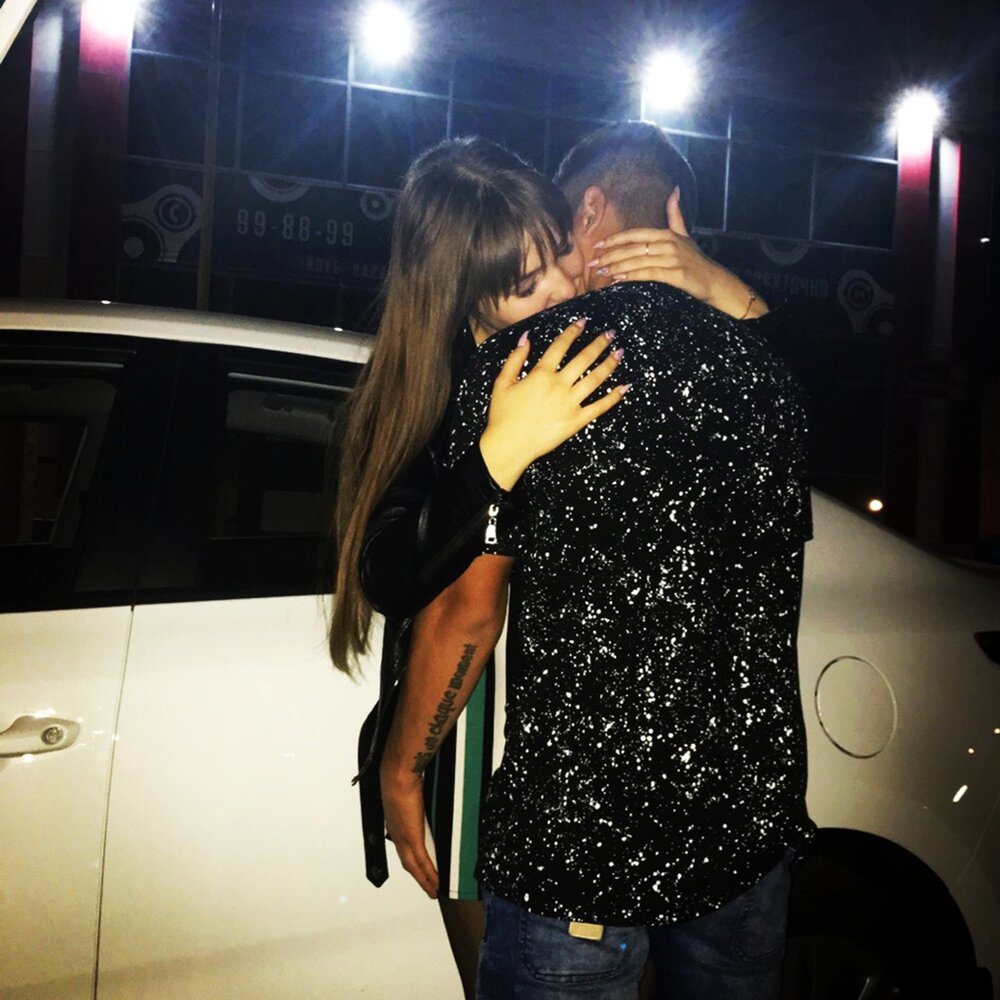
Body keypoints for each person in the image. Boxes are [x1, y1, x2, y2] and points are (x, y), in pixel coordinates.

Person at [379, 121, 815, 999]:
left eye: (554, 259)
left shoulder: (534, 366)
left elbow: (470, 610)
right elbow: (395, 570)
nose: (558, 290)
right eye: (524, 282)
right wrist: (727, 291)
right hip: (746, 835)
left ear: (586, 210)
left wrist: (399, 767)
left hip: (580, 852)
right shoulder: (761, 364)